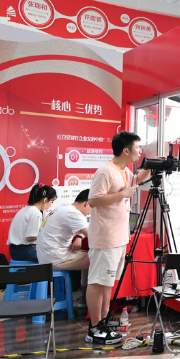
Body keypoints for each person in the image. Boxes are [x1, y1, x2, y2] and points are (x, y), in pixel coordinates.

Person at [86, 132, 150, 345]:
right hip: (105, 238)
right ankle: (95, 328)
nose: (139, 151)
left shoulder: (124, 171)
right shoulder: (106, 171)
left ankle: (103, 320)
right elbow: (93, 200)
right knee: (97, 282)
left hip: (119, 238)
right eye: (137, 147)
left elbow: (135, 181)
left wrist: (152, 167)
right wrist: (121, 195)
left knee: (107, 282)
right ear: (126, 151)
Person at [37, 189, 93, 308]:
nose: (89, 213)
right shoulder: (74, 214)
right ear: (87, 203)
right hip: (55, 258)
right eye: (92, 209)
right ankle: (92, 300)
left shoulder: (65, 207)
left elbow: (85, 231)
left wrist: (79, 236)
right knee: (97, 258)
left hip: (46, 255)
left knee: (90, 256)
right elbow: (94, 236)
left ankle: (84, 295)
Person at [7, 183, 56, 262]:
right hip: (26, 250)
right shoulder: (36, 213)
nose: (51, 205)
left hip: (14, 250)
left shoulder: (25, 209)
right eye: (52, 202)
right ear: (45, 200)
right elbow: (30, 237)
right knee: (57, 256)